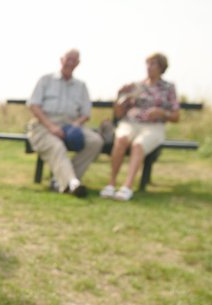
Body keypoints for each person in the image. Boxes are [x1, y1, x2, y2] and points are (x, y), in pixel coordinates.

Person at [102, 53, 180, 201]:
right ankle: (111, 184)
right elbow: (118, 113)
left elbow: (176, 116)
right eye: (148, 64)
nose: (149, 67)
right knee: (121, 139)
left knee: (138, 145)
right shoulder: (136, 86)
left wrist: (162, 113)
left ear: (161, 67)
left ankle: (127, 187)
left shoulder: (168, 88)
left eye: (153, 64)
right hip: (130, 122)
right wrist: (119, 95)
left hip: (154, 127)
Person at [27, 49, 103, 198]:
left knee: (95, 141)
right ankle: (72, 183)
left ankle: (62, 180)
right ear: (61, 59)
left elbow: (86, 113)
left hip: (71, 124)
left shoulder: (81, 86)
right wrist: (51, 127)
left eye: (74, 60)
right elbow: (34, 106)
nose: (70, 62)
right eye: (68, 59)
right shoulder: (46, 80)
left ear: (78, 63)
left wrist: (76, 124)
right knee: (57, 147)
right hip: (44, 125)